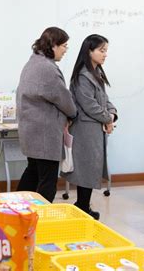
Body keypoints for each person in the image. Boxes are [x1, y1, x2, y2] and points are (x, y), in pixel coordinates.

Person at [16, 27, 77, 202]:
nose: (65, 50)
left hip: (32, 130)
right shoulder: (47, 68)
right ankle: (41, 220)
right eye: (64, 46)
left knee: (33, 173)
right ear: (53, 46)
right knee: (47, 181)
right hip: (44, 133)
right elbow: (62, 97)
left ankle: (16, 211)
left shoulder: (33, 62)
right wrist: (73, 114)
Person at [62, 34, 117, 220]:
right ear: (89, 51)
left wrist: (112, 114)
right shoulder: (82, 76)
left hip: (95, 129)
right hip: (85, 130)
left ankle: (82, 205)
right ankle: (82, 206)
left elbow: (105, 100)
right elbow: (90, 105)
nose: (105, 54)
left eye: (106, 51)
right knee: (86, 169)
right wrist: (108, 119)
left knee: (90, 167)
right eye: (102, 50)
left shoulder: (97, 72)